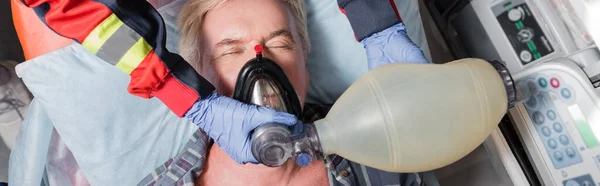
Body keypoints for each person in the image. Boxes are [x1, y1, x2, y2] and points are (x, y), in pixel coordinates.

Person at [20, 0, 429, 185]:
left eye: (281, 44)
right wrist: (179, 92)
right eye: (231, 50)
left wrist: (374, 20)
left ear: (306, 59)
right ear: (201, 73)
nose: (259, 60)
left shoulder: (380, 155)